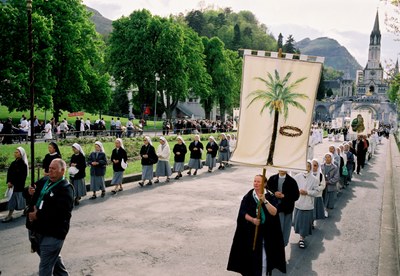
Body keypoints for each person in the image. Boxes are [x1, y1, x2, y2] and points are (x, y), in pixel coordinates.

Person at [227, 175, 286, 275]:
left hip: (266, 234)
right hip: (250, 234)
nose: (256, 183)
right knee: (249, 260)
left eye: (259, 182)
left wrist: (265, 201)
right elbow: (242, 213)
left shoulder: (270, 196)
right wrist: (252, 220)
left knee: (263, 259)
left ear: (265, 184)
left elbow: (274, 212)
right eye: (255, 181)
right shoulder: (249, 195)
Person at [26, 158, 74, 275]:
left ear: (62, 171)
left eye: (54, 169)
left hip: (53, 233)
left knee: (45, 267)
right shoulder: (45, 181)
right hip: (36, 230)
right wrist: (29, 192)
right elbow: (29, 193)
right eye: (49, 169)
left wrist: (38, 215)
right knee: (53, 261)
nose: (50, 171)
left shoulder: (66, 189)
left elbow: (61, 214)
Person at [267, 170, 300, 247]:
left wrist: (284, 196)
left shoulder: (292, 181)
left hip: (286, 209)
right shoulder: (272, 179)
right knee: (274, 231)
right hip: (274, 208)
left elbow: (296, 196)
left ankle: (282, 249)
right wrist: (274, 193)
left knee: (285, 230)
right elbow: (267, 190)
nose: (282, 169)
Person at [293, 161, 319, 248]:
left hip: (308, 204)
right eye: (305, 166)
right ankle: (300, 235)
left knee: (304, 223)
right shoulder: (296, 177)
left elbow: (316, 192)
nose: (306, 168)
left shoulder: (314, 179)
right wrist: (298, 191)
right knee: (297, 222)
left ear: (310, 168)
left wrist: (307, 192)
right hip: (298, 203)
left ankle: (302, 239)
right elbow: (292, 189)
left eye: (308, 166)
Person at [2, 147, 28, 223]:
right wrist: (9, 181)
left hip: (18, 185)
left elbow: (21, 176)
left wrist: (13, 183)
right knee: (15, 200)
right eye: (15, 152)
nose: (15, 154)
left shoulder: (23, 165)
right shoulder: (13, 163)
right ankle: (26, 209)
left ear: (21, 154)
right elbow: (9, 173)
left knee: (17, 199)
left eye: (17, 152)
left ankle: (9, 215)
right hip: (12, 185)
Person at [311, 158, 326, 224]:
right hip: (309, 195)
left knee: (315, 211)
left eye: (315, 165)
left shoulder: (320, 175)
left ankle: (312, 222)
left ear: (318, 166)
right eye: (312, 165)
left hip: (317, 195)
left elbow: (323, 185)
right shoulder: (308, 174)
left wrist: (317, 189)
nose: (313, 167)